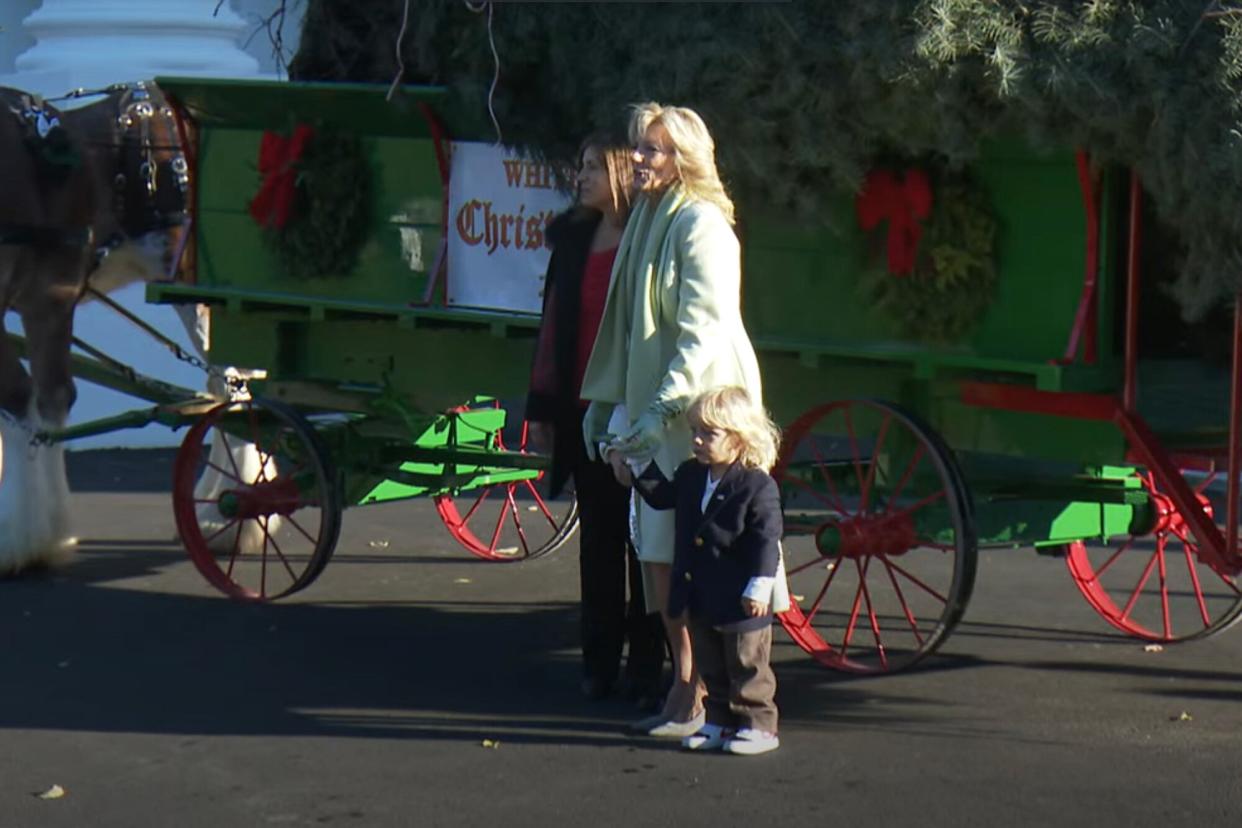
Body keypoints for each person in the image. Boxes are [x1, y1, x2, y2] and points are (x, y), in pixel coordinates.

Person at [581, 102, 764, 736]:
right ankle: (685, 683)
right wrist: (609, 404)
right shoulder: (647, 218)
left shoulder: (702, 225)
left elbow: (701, 333)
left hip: (699, 413)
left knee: (701, 555)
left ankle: (716, 696)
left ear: (684, 159)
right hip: (653, 407)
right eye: (638, 147)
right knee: (655, 552)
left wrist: (659, 413)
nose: (638, 158)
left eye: (653, 150)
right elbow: (627, 328)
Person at [526, 134, 667, 706]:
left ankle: (646, 668)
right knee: (600, 544)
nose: (580, 177)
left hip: (636, 411)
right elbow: (553, 327)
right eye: (579, 165)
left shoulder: (648, 237)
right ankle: (599, 662)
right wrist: (542, 407)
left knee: (646, 545)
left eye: (591, 167)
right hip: (585, 411)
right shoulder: (574, 240)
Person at [628, 386, 782, 755]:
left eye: (708, 433)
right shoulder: (691, 474)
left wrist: (760, 585)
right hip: (701, 593)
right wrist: (639, 464)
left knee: (747, 665)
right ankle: (718, 722)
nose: (696, 440)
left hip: (741, 597)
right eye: (695, 431)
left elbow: (766, 539)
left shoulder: (756, 485)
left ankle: (759, 726)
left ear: (739, 437)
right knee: (711, 663)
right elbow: (662, 496)